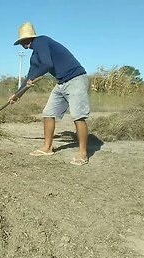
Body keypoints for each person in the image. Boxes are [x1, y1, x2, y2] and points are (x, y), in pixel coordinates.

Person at [9, 22, 90, 165]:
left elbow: (47, 64)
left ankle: (83, 153)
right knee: (48, 113)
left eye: (24, 40)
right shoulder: (34, 56)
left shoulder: (42, 41)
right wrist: (17, 95)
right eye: (21, 42)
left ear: (30, 38)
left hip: (76, 79)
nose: (22, 44)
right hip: (61, 83)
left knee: (78, 115)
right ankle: (47, 148)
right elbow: (29, 77)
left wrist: (34, 78)